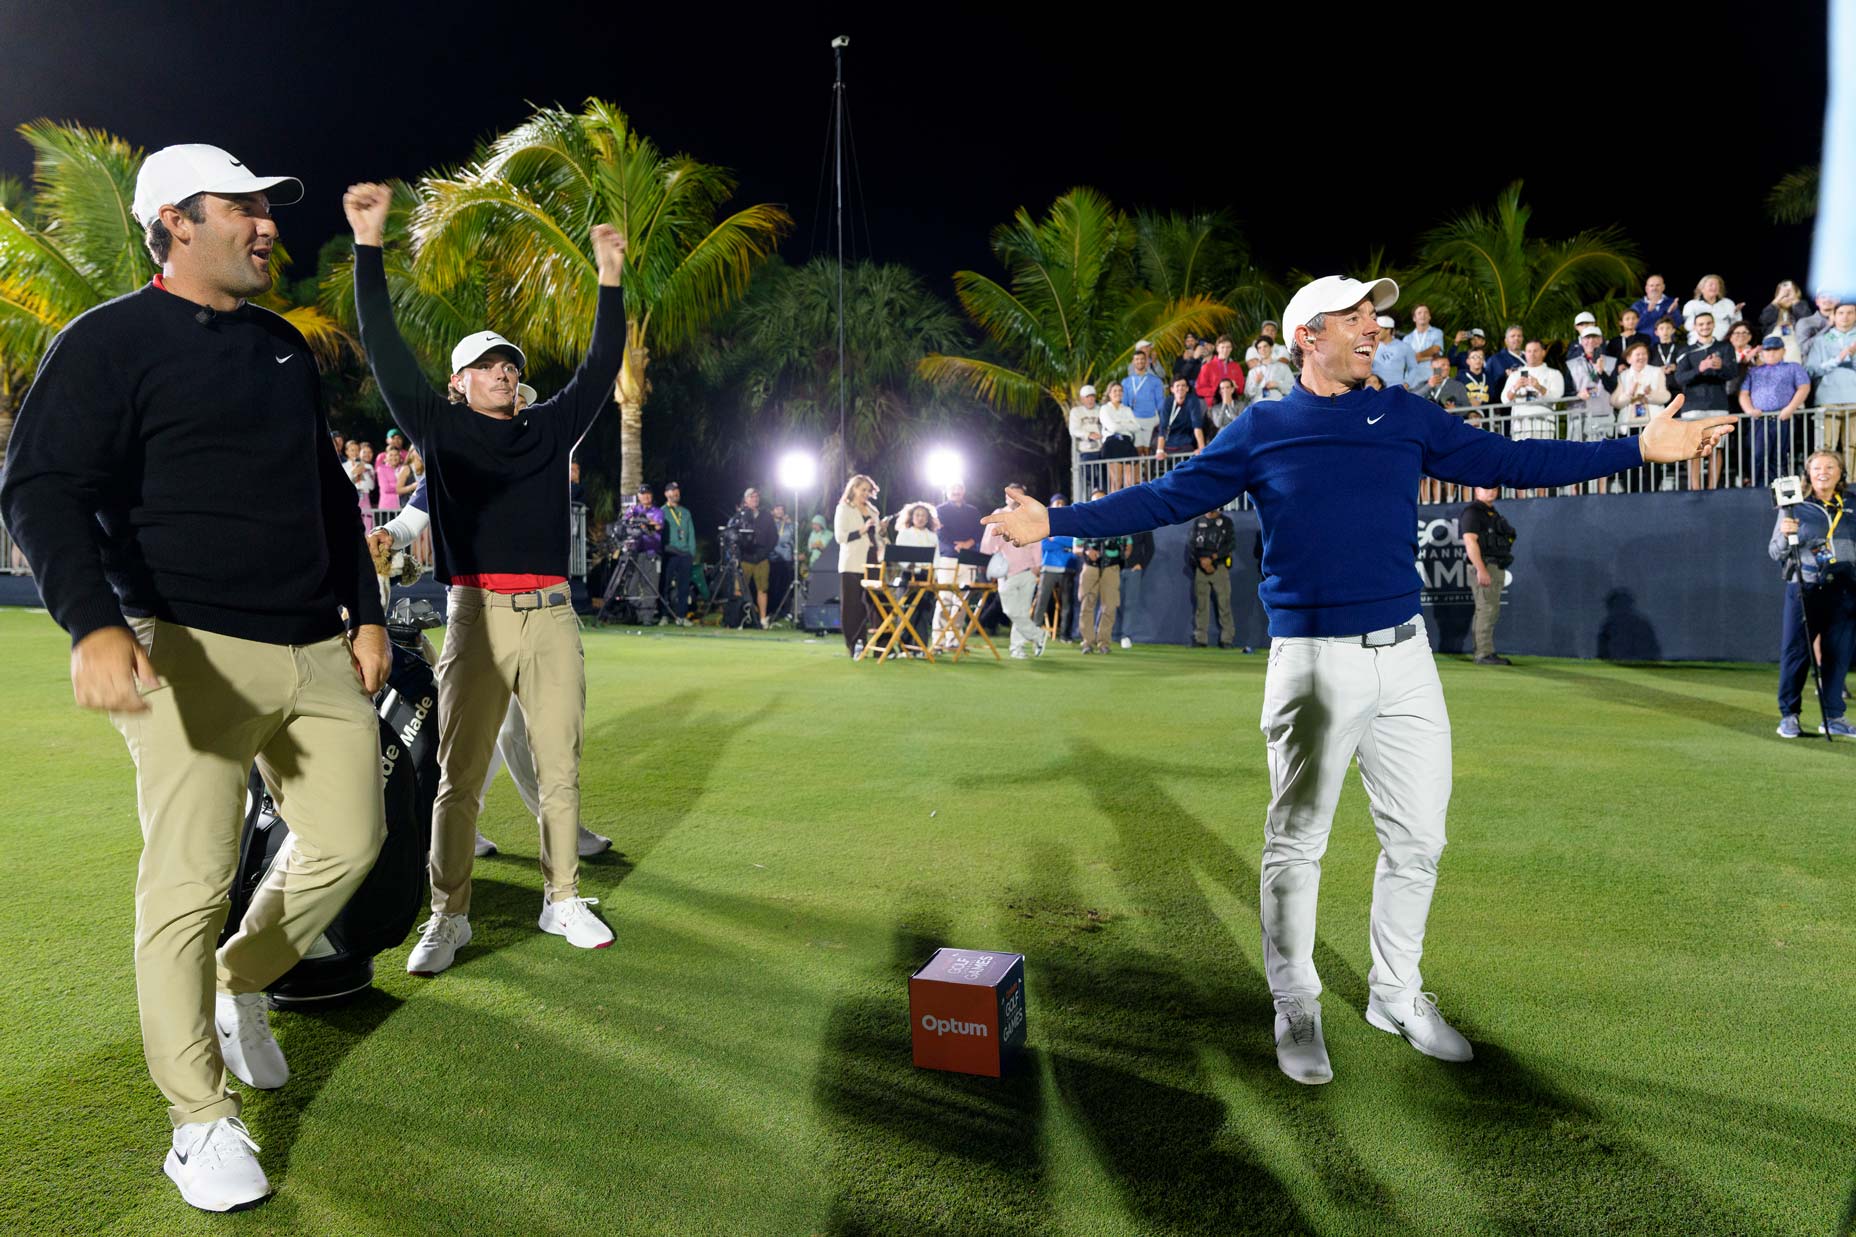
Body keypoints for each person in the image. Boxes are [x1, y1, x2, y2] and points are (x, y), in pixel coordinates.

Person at [981, 273, 1732, 1087]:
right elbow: (1164, 497)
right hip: (1312, 662)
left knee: (1420, 840)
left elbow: (1513, 458)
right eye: (1356, 317)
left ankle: (1396, 993)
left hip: (1407, 658)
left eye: (1376, 314)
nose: (1374, 326)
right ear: (1309, 335)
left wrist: (1637, 446)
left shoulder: (1406, 414)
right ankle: (1295, 1000)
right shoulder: (1262, 427)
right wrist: (1052, 520)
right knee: (1296, 842)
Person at [0, 144, 389, 1212]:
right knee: (188, 884)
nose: (266, 224)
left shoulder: (278, 347)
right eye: (243, 207)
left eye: (269, 207)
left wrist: (364, 609)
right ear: (174, 220)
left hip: (313, 645)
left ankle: (240, 980)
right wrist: (89, 624)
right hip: (186, 648)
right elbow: (37, 486)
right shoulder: (107, 340)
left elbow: (327, 491)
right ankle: (197, 1122)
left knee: (352, 838)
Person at [347, 180, 626, 969]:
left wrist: (610, 280)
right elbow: (386, 346)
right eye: (487, 364)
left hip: (552, 613)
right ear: (459, 381)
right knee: (456, 774)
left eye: (510, 364)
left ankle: (562, 898)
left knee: (560, 764)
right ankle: (450, 912)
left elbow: (601, 369)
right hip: (473, 616)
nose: (504, 371)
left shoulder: (547, 429)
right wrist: (370, 245)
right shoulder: (436, 429)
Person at [373, 488, 614, 860]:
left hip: (533, 606)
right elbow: (413, 517)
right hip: (474, 610)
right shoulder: (451, 448)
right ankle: (456, 831)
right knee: (473, 733)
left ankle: (555, 826)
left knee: (517, 727)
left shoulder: (527, 447)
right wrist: (387, 534)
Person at [1769, 451, 1854, 737]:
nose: (1823, 472)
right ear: (1808, 473)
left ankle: (1833, 717)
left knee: (1838, 655)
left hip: (1844, 589)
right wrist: (1784, 533)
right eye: (1817, 467)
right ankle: (1789, 716)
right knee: (1796, 653)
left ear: (1841, 472)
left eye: (1830, 467)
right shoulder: (1794, 507)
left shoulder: (1852, 506)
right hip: (1805, 587)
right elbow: (1775, 552)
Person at [981, 487, 1047, 658]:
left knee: (1023, 612)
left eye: (1020, 494)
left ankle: (1017, 648)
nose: (1016, 498)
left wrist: (1038, 565)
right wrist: (987, 563)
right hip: (1005, 572)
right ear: (1006, 497)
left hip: (1028, 570)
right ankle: (1037, 635)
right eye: (1012, 494)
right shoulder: (998, 514)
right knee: (1011, 611)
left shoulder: (1030, 516)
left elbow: (1036, 541)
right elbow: (988, 543)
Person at [1675, 312, 1737, 490]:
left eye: (1708, 323)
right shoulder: (1685, 351)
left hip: (1718, 406)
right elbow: (1679, 378)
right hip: (1693, 408)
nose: (1705, 327)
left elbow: (1732, 372)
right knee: (1694, 449)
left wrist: (1720, 367)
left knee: (1716, 448)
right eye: (1701, 324)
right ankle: (1695, 488)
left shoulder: (1725, 347)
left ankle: (1712, 488)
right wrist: (1699, 369)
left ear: (1713, 324)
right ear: (1695, 327)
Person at [1741, 336, 1812, 486]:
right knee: (1757, 454)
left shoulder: (1793, 367)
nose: (1771, 353)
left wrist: (1790, 408)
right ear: (1762, 353)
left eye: (1775, 350)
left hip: (1782, 418)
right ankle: (1757, 487)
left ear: (1783, 351)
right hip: (1759, 420)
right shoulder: (1753, 371)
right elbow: (1743, 393)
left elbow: (1804, 387)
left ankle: (1779, 489)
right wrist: (1750, 410)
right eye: (1767, 350)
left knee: (1779, 456)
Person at [1460, 486, 1517, 665]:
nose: (1490, 491)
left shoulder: (1491, 513)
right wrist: (1481, 568)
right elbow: (1470, 541)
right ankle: (1483, 653)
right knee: (1486, 609)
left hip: (1494, 564)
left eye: (1493, 488)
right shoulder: (1473, 512)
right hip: (1483, 564)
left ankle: (1485, 651)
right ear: (1476, 491)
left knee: (1488, 609)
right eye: (1485, 488)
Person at [1074, 495, 1132, 655]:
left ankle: (1104, 642)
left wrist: (1117, 557)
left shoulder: (1118, 520)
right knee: (1087, 604)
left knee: (1110, 606)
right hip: (1090, 567)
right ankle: (1087, 642)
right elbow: (1076, 548)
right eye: (1094, 500)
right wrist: (1086, 551)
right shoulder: (1083, 520)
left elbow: (1128, 545)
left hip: (1110, 568)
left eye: (1101, 499)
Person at [834, 474, 884, 656]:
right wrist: (863, 529)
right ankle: (855, 644)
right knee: (853, 605)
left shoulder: (873, 511)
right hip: (852, 562)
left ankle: (883, 646)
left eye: (868, 491)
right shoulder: (844, 509)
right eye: (862, 489)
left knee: (877, 603)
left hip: (872, 560)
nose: (865, 494)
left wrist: (882, 534)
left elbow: (878, 537)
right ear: (853, 489)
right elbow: (840, 537)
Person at [1566, 327, 1620, 491]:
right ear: (1581, 342)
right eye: (1587, 338)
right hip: (1579, 415)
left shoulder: (1611, 361)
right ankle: (1574, 493)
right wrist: (1577, 393)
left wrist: (1601, 372)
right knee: (1576, 456)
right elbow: (1565, 391)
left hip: (1602, 414)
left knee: (1601, 456)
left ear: (1601, 340)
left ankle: (1600, 493)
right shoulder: (1572, 363)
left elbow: (1614, 388)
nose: (1591, 341)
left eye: (1595, 337)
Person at [1804, 302, 1856, 470]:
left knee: (1853, 445)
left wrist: (1852, 358)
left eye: (1850, 313)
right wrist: (1836, 360)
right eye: (1841, 313)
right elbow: (1810, 370)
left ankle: (1853, 484)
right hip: (1827, 399)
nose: (1845, 317)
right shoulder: (1821, 340)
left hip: (1854, 399)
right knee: (1825, 446)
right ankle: (1828, 485)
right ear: (1833, 316)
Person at [932, 482, 984, 647]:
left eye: (959, 488)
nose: (956, 491)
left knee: (962, 601)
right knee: (945, 599)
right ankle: (938, 640)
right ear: (947, 491)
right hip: (947, 557)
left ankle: (953, 639)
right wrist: (957, 546)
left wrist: (969, 543)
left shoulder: (973, 511)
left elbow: (979, 531)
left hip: (968, 558)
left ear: (964, 490)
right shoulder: (940, 510)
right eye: (952, 488)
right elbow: (940, 533)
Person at [1187, 508, 1237, 648]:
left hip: (1219, 567)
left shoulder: (1226, 522)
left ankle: (1226, 639)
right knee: (1201, 605)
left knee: (1224, 604)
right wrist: (1201, 561)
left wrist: (1212, 559)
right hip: (1200, 567)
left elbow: (1230, 544)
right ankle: (1200, 638)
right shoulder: (1198, 522)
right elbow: (1191, 545)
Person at [1032, 494, 1079, 643]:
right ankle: (1034, 632)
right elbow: (1044, 545)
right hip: (1049, 567)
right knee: (1042, 600)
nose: (1059, 505)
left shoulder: (1071, 522)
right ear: (1051, 506)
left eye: (1062, 503)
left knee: (1067, 604)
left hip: (1068, 568)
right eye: (1056, 503)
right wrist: (1064, 542)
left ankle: (1065, 635)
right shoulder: (1044, 522)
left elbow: (1075, 542)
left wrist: (1056, 537)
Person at [733, 487, 778, 628]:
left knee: (762, 589)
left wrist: (765, 552)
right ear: (745, 500)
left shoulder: (766, 515)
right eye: (751, 497)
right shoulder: (740, 515)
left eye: (756, 496)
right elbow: (732, 534)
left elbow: (774, 537)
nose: (755, 499)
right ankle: (739, 618)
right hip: (745, 558)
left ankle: (763, 619)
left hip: (762, 558)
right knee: (739, 588)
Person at [661, 481, 697, 626]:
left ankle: (681, 616)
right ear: (666, 494)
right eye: (672, 491)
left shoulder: (686, 512)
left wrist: (691, 552)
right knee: (665, 585)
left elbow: (691, 533)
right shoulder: (661, 511)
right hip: (669, 553)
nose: (675, 493)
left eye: (677, 490)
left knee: (684, 587)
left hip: (685, 554)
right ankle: (664, 615)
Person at [1095, 379, 1139, 492]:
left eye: (1120, 391)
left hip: (1127, 442)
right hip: (1112, 443)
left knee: (1131, 482)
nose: (1118, 393)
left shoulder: (1127, 409)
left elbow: (1136, 427)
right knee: (1116, 482)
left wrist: (1119, 423)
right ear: (1109, 393)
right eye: (1115, 391)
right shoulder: (1104, 409)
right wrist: (1126, 424)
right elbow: (1113, 427)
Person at [1123, 350, 1168, 457]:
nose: (1140, 361)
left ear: (1147, 361)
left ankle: (1149, 473)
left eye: (1142, 359)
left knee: (1148, 449)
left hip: (1151, 418)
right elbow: (1124, 404)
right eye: (1137, 359)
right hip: (1134, 419)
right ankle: (1139, 472)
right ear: (1133, 362)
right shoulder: (1126, 382)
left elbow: (1160, 402)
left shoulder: (1156, 381)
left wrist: (1161, 420)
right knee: (1138, 449)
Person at [1759, 280, 1810, 363]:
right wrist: (1777, 299)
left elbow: (1806, 319)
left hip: (1794, 346)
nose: (1786, 295)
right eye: (1783, 292)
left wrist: (1794, 300)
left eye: (1789, 292)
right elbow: (1764, 320)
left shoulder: (1800, 305)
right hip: (1773, 345)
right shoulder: (1773, 307)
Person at [1156, 376, 1208, 458]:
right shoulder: (1168, 402)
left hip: (1186, 441)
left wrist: (1201, 447)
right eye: (1177, 386)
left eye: (1183, 385)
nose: (1181, 388)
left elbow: (1196, 425)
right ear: (1172, 389)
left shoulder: (1192, 400)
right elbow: (1163, 426)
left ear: (1187, 388)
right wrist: (1160, 450)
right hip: (1169, 441)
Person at [1371, 315, 1423, 392]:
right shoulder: (1370, 346)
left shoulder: (1405, 347)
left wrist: (1406, 385)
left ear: (1388, 330)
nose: (1376, 331)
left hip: (1396, 391)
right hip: (1375, 390)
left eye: (1379, 329)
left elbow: (1413, 368)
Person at [1683, 273, 1742, 340]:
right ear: (1702, 288)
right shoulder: (1691, 305)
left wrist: (1736, 313)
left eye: (1717, 285)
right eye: (1711, 284)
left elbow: (1736, 325)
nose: (1714, 287)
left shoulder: (1728, 303)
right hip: (1698, 343)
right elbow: (1688, 326)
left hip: (1724, 343)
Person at [1194, 334, 1246, 406]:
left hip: (1233, 404)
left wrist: (1235, 387)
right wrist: (1217, 390)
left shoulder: (1236, 366)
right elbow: (1199, 389)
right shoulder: (1207, 367)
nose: (1225, 350)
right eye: (1222, 347)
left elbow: (1241, 390)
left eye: (1228, 347)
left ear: (1231, 349)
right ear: (1217, 348)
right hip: (1214, 405)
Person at [769, 501, 796, 623]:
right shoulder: (770, 524)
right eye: (777, 509)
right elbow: (774, 539)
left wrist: (789, 524)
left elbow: (790, 536)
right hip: (773, 559)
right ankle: (773, 612)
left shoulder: (789, 524)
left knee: (786, 587)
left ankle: (785, 612)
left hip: (786, 560)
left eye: (781, 509)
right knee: (773, 586)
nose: (780, 511)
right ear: (772, 511)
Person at [1631, 273, 1682, 337]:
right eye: (1651, 286)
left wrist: (1672, 313)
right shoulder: (1638, 305)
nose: (1654, 288)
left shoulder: (1670, 303)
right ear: (1646, 288)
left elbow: (1678, 323)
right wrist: (1647, 312)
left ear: (1663, 287)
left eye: (1658, 285)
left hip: (1665, 343)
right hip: (1644, 343)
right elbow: (1632, 326)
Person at [1246, 338, 1294, 405]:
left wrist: (1278, 385)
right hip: (1259, 406)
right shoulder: (1253, 372)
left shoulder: (1283, 367)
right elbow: (1248, 393)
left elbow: (1292, 389)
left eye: (1265, 346)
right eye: (1259, 348)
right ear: (1257, 351)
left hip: (1278, 404)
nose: (1263, 349)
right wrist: (1256, 382)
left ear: (1271, 348)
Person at [1068, 384, 1104, 473]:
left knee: (1106, 474)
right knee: (1088, 473)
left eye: (1092, 397)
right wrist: (1089, 435)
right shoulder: (1076, 411)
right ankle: (1094, 487)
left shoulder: (1102, 409)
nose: (1090, 400)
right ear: (1082, 399)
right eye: (1087, 397)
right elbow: (1073, 430)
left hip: (1103, 448)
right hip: (1086, 449)